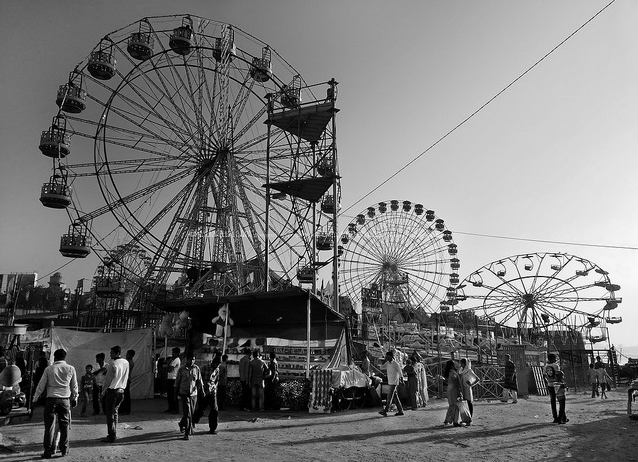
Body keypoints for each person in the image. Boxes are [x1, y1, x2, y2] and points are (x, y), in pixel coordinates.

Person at [32, 348, 78, 459]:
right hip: (64, 400)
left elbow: (41, 385)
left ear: (55, 357)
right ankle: (64, 450)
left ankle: (48, 451)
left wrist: (35, 398)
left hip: (51, 400)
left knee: (49, 427)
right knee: (64, 426)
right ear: (64, 357)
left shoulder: (49, 369)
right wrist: (75, 398)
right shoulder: (71, 368)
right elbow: (74, 386)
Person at [100, 345, 130, 444]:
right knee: (115, 412)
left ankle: (111, 435)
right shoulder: (126, 362)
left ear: (117, 353)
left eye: (112, 353)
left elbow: (108, 380)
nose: (110, 354)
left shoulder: (112, 364)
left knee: (110, 414)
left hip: (112, 391)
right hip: (121, 390)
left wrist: (103, 391)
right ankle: (113, 433)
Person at [175, 352, 203, 440]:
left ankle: (182, 424)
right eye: (190, 359)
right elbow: (177, 382)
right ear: (186, 360)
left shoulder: (196, 368)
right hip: (184, 393)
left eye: (193, 359)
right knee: (187, 413)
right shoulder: (181, 369)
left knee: (191, 412)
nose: (191, 361)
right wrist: (176, 393)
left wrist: (202, 391)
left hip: (194, 394)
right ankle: (186, 433)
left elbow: (199, 380)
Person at [195, 355, 220, 434]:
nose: (217, 366)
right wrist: (201, 389)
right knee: (200, 409)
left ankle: (212, 428)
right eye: (216, 364)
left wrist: (215, 388)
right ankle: (191, 422)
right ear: (213, 362)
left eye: (218, 364)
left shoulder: (217, 369)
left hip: (212, 392)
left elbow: (216, 380)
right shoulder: (205, 367)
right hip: (204, 391)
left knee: (214, 410)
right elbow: (199, 379)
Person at [379, 350, 404, 417]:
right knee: (395, 397)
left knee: (389, 396)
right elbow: (381, 368)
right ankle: (400, 411)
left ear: (390, 356)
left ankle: (385, 410)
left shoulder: (396, 364)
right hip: (390, 381)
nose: (386, 357)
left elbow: (400, 372)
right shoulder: (387, 363)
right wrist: (384, 360)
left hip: (394, 382)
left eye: (387, 356)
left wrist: (402, 380)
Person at [442, 359, 462, 427]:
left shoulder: (449, 373)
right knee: (455, 406)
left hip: (450, 390)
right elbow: (456, 382)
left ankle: (447, 420)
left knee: (451, 406)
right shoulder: (453, 373)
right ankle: (455, 421)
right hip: (454, 390)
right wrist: (459, 391)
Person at [544, 353, 561, 423]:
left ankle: (555, 417)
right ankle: (562, 417)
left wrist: (547, 383)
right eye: (555, 358)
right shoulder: (556, 366)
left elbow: (544, 376)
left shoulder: (546, 366)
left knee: (553, 401)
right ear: (553, 359)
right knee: (560, 401)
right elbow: (558, 376)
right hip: (557, 385)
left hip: (550, 385)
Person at [165, 347, 181, 413]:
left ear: (177, 353)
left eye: (174, 352)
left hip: (174, 379)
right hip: (170, 378)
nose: (173, 353)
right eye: (172, 352)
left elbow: (170, 369)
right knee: (169, 395)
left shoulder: (176, 360)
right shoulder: (172, 359)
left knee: (173, 395)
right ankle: (170, 408)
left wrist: (167, 366)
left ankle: (175, 409)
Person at [120, 349, 135, 415]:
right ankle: (125, 409)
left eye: (127, 354)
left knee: (125, 395)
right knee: (125, 395)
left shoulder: (129, 362)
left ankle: (126, 410)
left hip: (126, 379)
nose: (126, 355)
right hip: (126, 379)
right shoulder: (129, 361)